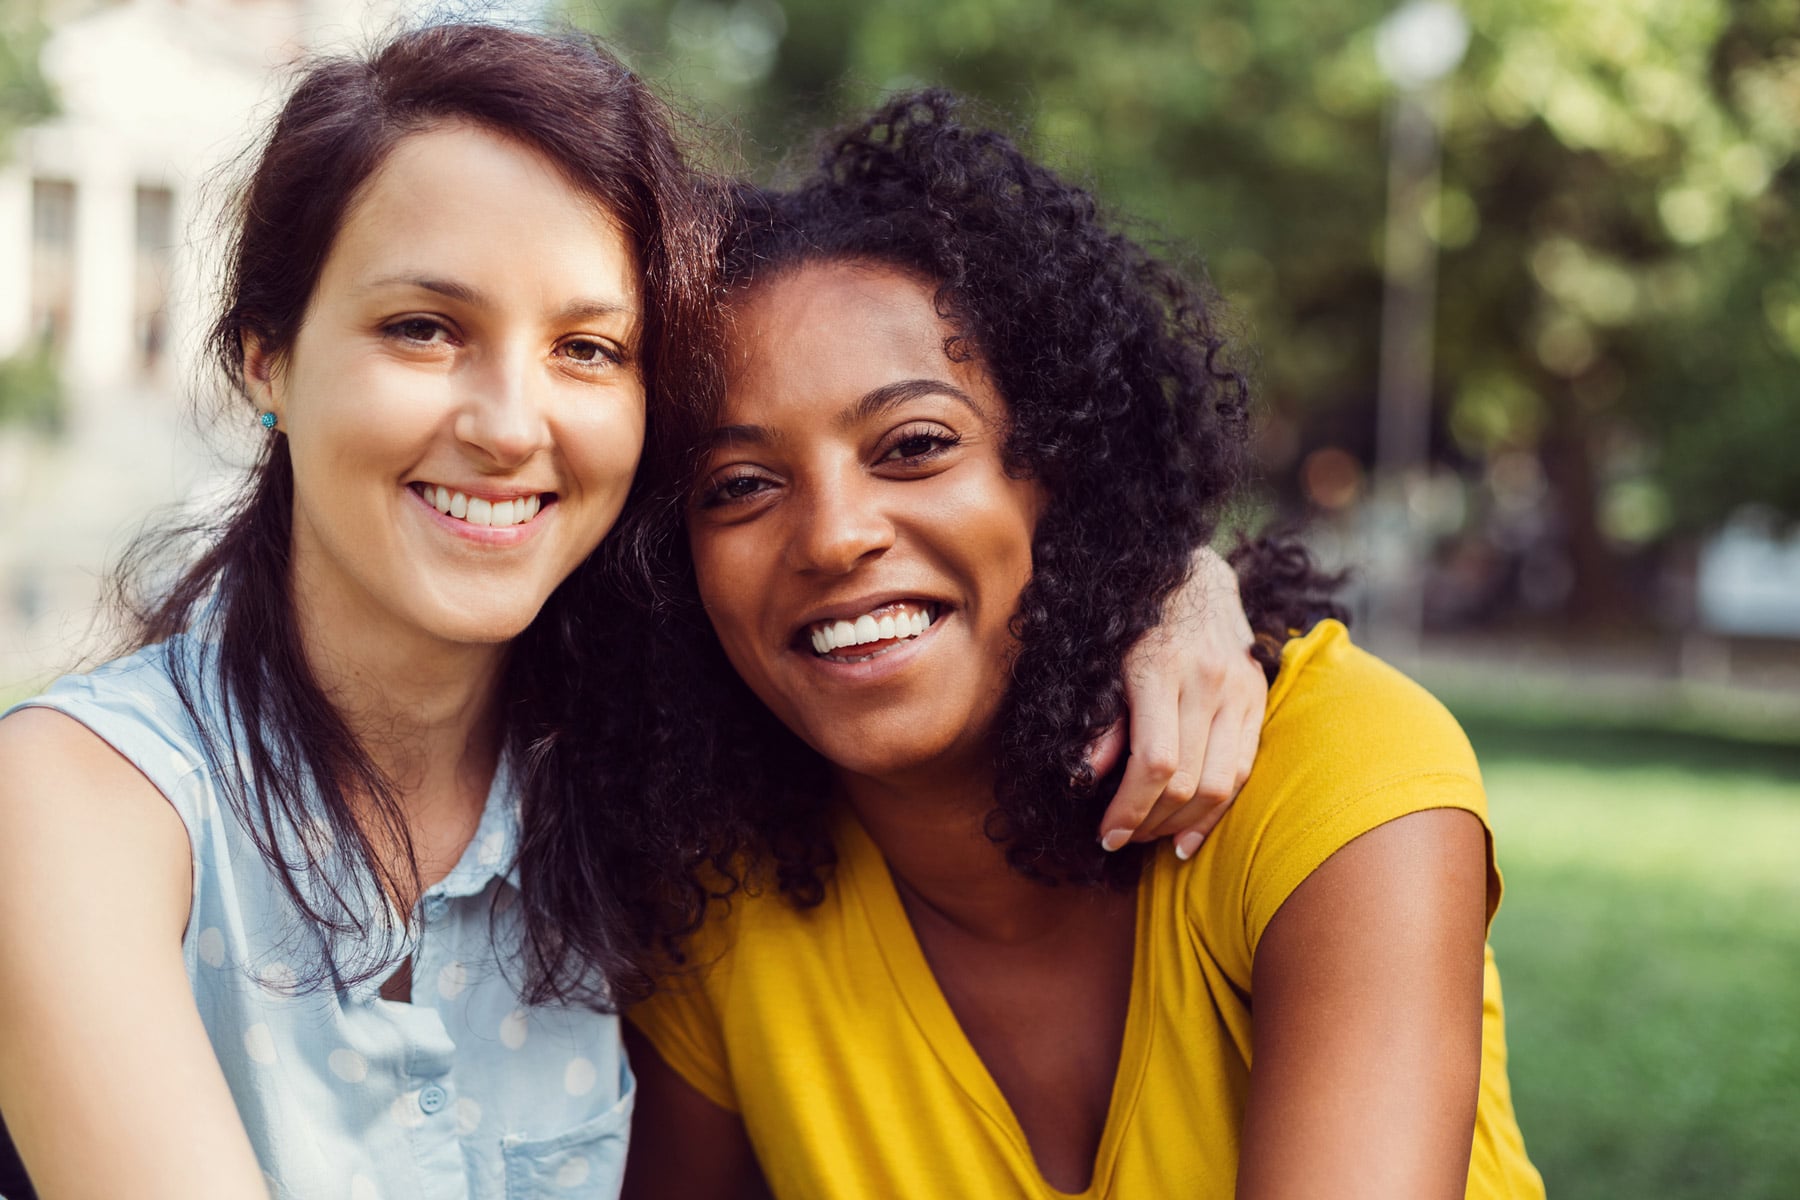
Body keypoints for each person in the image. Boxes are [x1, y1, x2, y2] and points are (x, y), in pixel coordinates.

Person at [0, 26, 1264, 1200]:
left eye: (588, 349)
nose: (507, 424)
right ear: (264, 356)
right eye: (424, 328)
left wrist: (1184, 589)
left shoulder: (665, 787)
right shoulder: (79, 804)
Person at [621, 92, 1546, 1198]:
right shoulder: (718, 907)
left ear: (1063, 469)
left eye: (914, 446)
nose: (832, 535)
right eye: (739, 486)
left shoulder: (1336, 775)